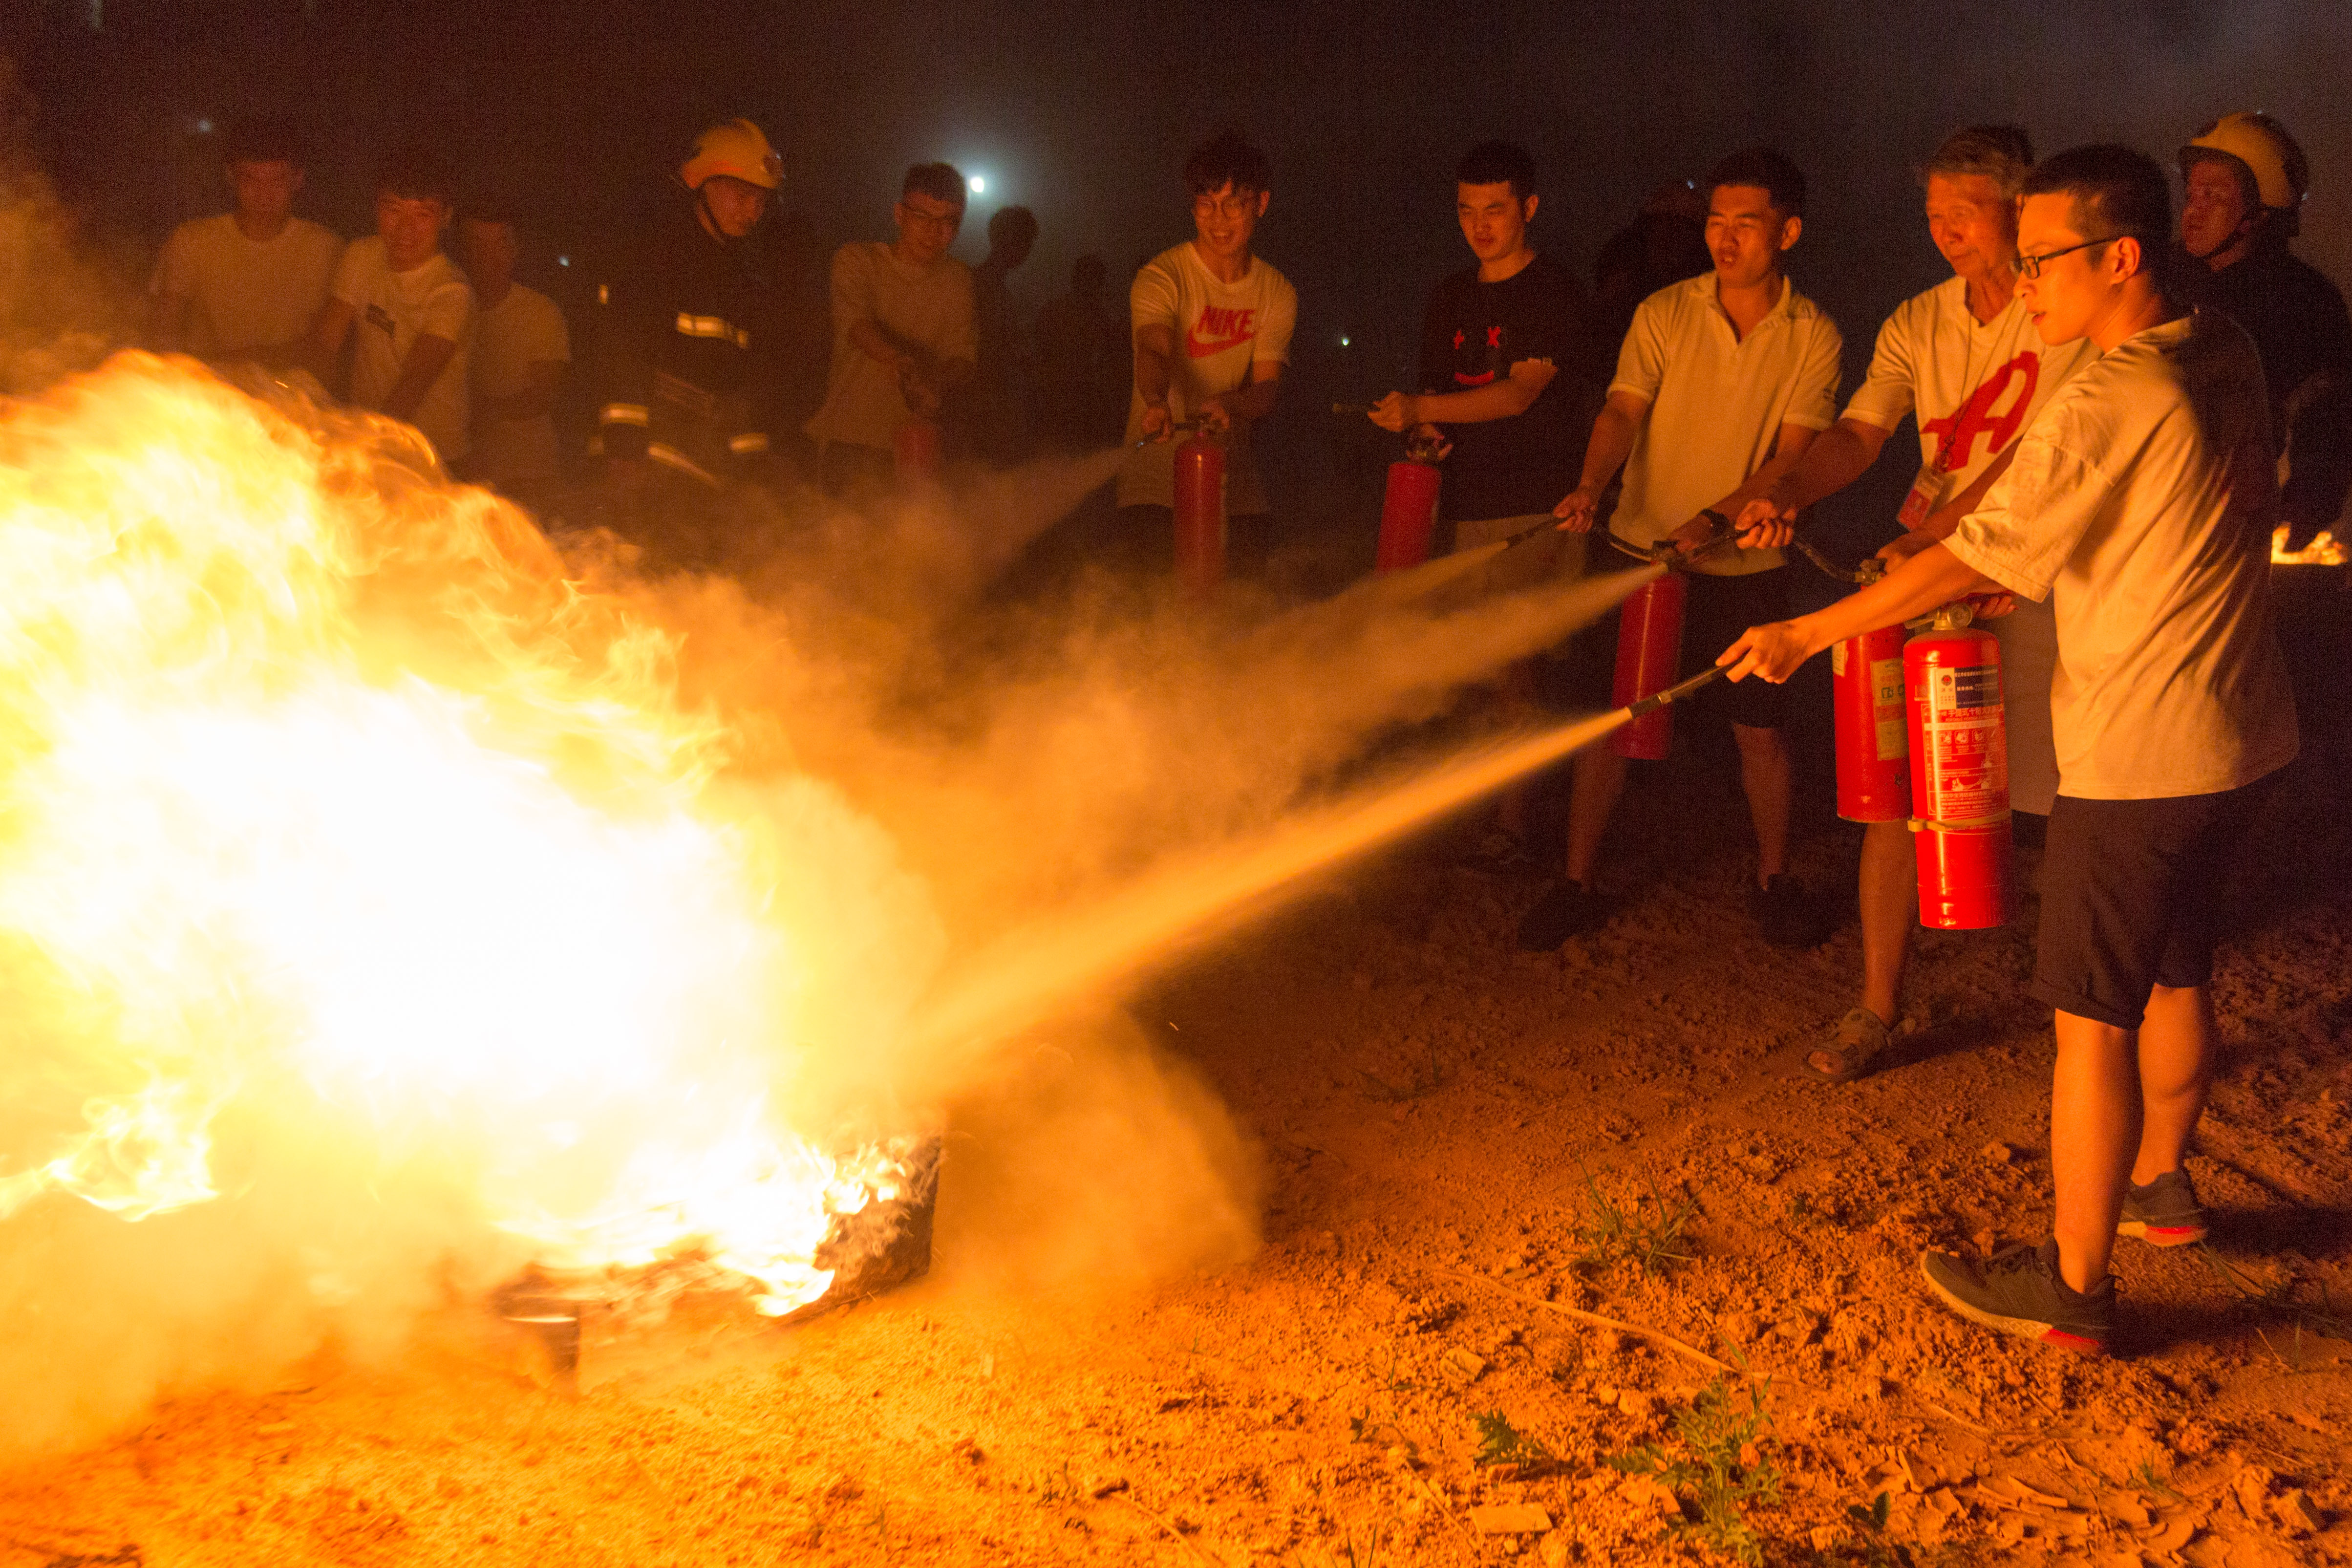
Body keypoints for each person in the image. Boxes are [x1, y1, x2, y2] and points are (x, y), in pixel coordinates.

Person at [1723, 146, 2297, 1356]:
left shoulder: (2111, 393)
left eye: (2041, 259)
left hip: (2136, 750)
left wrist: (1804, 632)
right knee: (2177, 971)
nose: (2023, 281)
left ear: (2119, 256)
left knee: (2090, 1022)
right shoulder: (2221, 345)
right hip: (2240, 732)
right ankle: (2161, 1187)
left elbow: (1975, 549)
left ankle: (2073, 1286)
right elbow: (2151, 516)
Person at [1730, 126, 2096, 1081]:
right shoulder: (1917, 321)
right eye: (1932, 215)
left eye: (1961, 213)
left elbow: (2034, 461)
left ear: (2017, 209)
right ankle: (1876, 1002)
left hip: (2037, 588)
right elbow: (1858, 433)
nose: (1943, 232)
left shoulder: (2059, 310)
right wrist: (1789, 489)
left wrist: (1936, 536)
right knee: (1891, 795)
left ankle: (2089, 1009)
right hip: (1933, 579)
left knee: (2070, 800)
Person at [1520, 147, 1842, 951]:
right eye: (1715, 222)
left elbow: (1791, 457)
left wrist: (1713, 520)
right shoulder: (1664, 311)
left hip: (1745, 561)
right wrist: (1590, 484)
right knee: (1612, 719)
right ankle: (1575, 881)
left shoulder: (1813, 333)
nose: (1724, 239)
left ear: (1787, 232)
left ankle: (1773, 880)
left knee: (1758, 729)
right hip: (1642, 551)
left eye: (1745, 224)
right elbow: (1621, 411)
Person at [1367, 140, 1596, 556]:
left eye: (1494, 210)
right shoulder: (1448, 296)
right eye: (1466, 211)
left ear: (1529, 208)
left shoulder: (1554, 291)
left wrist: (1419, 408)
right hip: (1453, 507)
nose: (1479, 226)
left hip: (1535, 510)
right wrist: (1423, 429)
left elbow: (1519, 393)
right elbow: (1435, 391)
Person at [1116, 129, 1297, 577]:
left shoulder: (1276, 290)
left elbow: (1267, 388)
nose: (1219, 220)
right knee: (1148, 608)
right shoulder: (1162, 276)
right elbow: (1153, 349)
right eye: (1206, 204)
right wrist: (1156, 401)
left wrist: (1231, 404)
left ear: (1261, 204)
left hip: (1234, 485)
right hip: (1155, 486)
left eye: (1233, 204)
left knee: (1246, 600)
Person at [2176, 112, 2352, 556]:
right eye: (2191, 193)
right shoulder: (2158, 281)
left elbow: (2327, 414)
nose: (2192, 210)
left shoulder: (2304, 303)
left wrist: (2309, 500)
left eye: (2213, 195)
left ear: (2259, 210)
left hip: (2231, 524)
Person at [592, 118, 785, 495]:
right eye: (742, 194)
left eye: (761, 201)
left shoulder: (743, 282)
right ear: (703, 184)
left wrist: (756, 472)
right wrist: (625, 452)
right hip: (647, 471)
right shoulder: (654, 258)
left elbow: (741, 388)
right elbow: (623, 357)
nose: (752, 212)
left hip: (705, 478)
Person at [803, 162, 979, 494]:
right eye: (922, 217)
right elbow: (857, 325)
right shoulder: (858, 261)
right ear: (900, 214)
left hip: (917, 444)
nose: (934, 231)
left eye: (948, 222)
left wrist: (936, 381)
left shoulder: (958, 281)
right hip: (850, 437)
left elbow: (962, 357)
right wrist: (900, 361)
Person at [305, 146, 473, 465]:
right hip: (368, 440)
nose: (405, 229)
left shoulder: (451, 292)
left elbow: (414, 383)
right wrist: (302, 408)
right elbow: (325, 343)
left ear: (446, 218)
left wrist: (360, 446)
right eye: (393, 210)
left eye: (423, 215)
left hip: (434, 458)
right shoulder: (363, 255)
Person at [148, 116, 342, 362]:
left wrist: (246, 360)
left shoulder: (324, 248)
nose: (264, 195)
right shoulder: (192, 241)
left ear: (298, 180)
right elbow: (164, 329)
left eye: (277, 181)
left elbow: (324, 346)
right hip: (204, 379)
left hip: (290, 383)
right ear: (232, 178)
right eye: (251, 180)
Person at [458, 204, 569, 500]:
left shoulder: (539, 312)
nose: (489, 255)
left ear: (515, 250)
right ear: (465, 249)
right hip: (464, 474)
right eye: (479, 244)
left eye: (500, 244)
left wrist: (478, 410)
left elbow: (544, 395)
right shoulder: (450, 305)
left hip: (527, 476)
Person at [967, 205, 1039, 461]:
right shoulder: (980, 284)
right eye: (1024, 242)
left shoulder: (991, 285)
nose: (1027, 251)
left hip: (991, 396)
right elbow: (983, 344)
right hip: (982, 397)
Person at [1033, 253, 1127, 450]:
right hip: (1063, 394)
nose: (1095, 285)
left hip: (1081, 397)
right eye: (1092, 279)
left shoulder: (1098, 316)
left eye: (1096, 280)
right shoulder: (1059, 312)